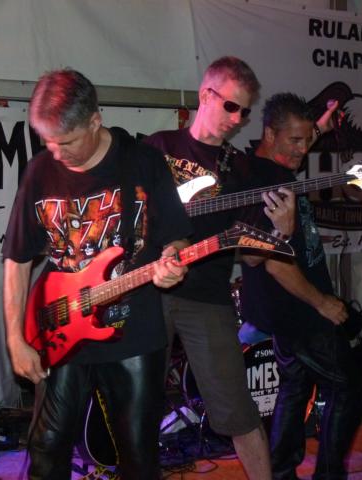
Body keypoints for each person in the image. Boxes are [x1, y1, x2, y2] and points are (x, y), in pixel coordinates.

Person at [2, 68, 192, 480]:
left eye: (65, 142)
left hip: (133, 334)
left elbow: (176, 238)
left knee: (137, 456)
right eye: (47, 142)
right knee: (46, 447)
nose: (56, 153)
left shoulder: (143, 162)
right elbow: (16, 259)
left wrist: (173, 262)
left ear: (94, 120)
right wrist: (16, 338)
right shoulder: (39, 172)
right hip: (61, 327)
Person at [145, 56, 294, 479]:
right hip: (147, 289)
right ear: (205, 95)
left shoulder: (241, 169)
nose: (237, 119)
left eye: (245, 112)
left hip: (206, 298)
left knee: (237, 409)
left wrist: (279, 233)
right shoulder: (157, 147)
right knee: (138, 406)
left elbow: (252, 256)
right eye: (231, 106)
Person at [240, 93, 362, 480]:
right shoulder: (264, 182)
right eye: (295, 140)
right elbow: (271, 260)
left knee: (295, 385)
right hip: (298, 308)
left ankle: (281, 470)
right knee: (348, 388)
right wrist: (321, 302)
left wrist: (320, 126)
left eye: (308, 139)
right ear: (269, 134)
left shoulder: (267, 167)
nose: (303, 148)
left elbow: (304, 136)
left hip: (284, 309)